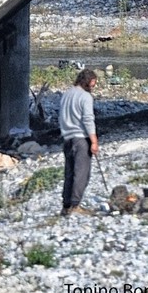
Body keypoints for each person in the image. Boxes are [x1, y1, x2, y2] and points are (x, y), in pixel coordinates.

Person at [59, 67, 98, 216]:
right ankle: (75, 206)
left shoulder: (67, 94)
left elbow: (61, 116)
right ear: (87, 82)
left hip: (67, 138)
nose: (93, 88)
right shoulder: (85, 97)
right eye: (93, 84)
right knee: (82, 173)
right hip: (80, 139)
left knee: (69, 172)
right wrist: (94, 141)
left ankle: (66, 205)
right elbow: (88, 119)